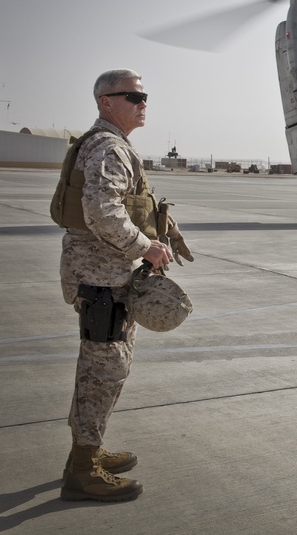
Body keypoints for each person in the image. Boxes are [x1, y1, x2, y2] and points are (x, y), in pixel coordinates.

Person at [56, 69, 193, 502]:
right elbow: (101, 211)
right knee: (102, 370)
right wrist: (146, 246)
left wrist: (162, 231)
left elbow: (125, 206)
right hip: (99, 279)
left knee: (109, 366)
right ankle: (82, 469)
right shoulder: (108, 147)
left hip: (109, 277)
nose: (142, 102)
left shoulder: (114, 145)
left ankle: (89, 451)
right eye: (133, 96)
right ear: (106, 102)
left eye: (143, 95)